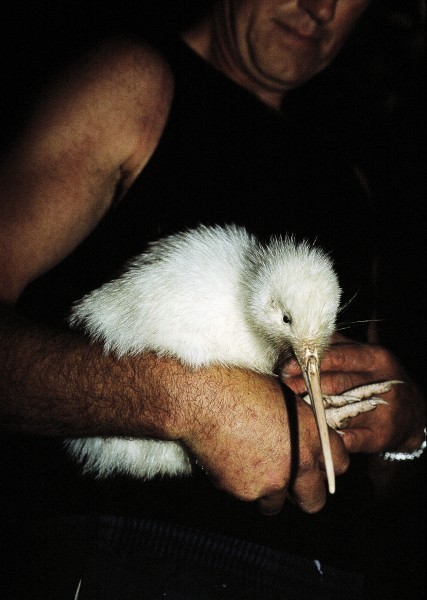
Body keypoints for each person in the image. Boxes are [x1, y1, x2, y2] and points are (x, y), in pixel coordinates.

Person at [0, 1, 425, 598]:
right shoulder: (136, 84)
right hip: (129, 560)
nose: (320, 5)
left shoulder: (349, 182)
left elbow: (366, 473)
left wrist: (406, 433)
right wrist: (189, 402)